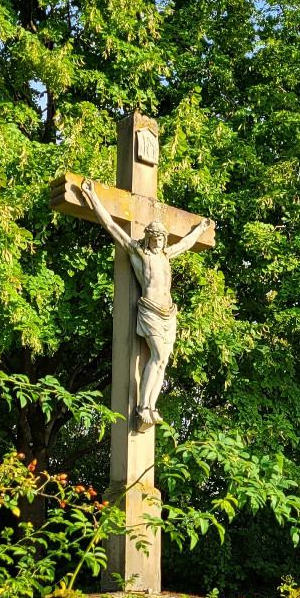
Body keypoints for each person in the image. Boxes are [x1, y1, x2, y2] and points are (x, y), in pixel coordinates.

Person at [80, 178, 212, 431]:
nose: (161, 241)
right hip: (150, 309)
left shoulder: (165, 255)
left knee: (163, 361)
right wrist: (92, 196)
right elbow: (111, 225)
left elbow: (185, 244)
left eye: (163, 238)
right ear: (149, 237)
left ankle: (151, 405)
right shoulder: (138, 252)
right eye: (157, 238)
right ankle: (142, 407)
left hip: (168, 313)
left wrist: (199, 229)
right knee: (158, 356)